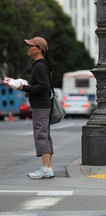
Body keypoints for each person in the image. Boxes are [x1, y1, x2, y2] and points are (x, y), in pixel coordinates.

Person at [18, 36, 56, 179]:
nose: (28, 48)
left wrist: (24, 87)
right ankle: (47, 168)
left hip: (41, 106)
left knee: (41, 135)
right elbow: (43, 86)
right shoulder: (42, 64)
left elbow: (44, 86)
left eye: (31, 46)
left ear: (39, 49)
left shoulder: (39, 65)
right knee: (44, 135)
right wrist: (30, 91)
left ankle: (46, 168)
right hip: (43, 104)